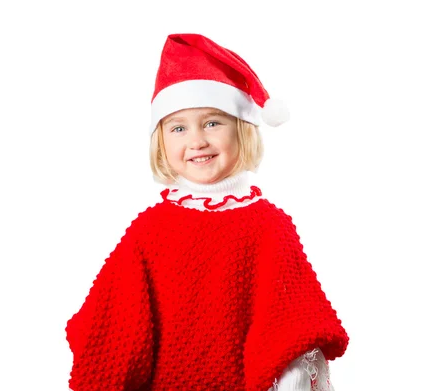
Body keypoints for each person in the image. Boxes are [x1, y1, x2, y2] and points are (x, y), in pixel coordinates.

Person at [65, 33, 349, 391]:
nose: (197, 140)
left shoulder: (268, 225)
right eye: (179, 127)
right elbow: (112, 322)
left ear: (242, 130)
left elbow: (293, 323)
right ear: (161, 142)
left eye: (212, 123)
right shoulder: (151, 229)